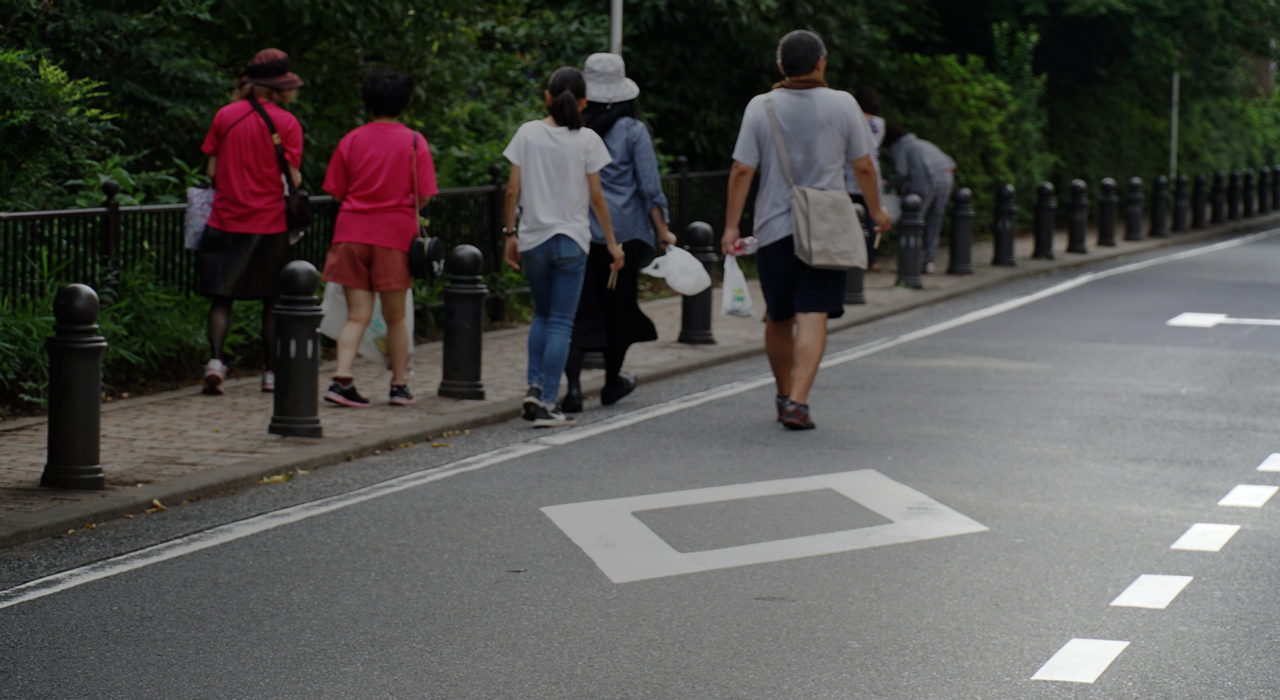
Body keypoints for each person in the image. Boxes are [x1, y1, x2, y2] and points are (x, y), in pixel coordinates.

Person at [721, 30, 891, 430]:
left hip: (774, 228)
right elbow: (863, 166)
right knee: (813, 313)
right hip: (826, 228)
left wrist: (731, 226)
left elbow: (742, 169)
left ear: (781, 66)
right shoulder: (844, 104)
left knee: (778, 316)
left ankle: (783, 394)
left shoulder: (759, 107)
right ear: (821, 62)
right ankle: (798, 401)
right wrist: (877, 210)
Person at [503, 67, 625, 428]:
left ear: (547, 97)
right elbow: (597, 198)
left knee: (541, 315)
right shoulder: (587, 140)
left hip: (533, 239)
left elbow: (512, 190)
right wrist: (614, 244)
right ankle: (546, 403)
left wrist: (510, 233)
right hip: (572, 240)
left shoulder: (527, 133)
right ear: (584, 101)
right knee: (560, 321)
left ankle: (534, 384)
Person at [561, 52, 677, 414]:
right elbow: (649, 186)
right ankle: (612, 381)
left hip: (579, 231)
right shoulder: (633, 130)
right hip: (625, 236)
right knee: (619, 309)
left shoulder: (571, 128)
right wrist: (663, 231)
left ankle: (574, 390)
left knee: (578, 310)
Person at [320, 69, 437, 408]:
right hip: (395, 236)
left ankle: (342, 379)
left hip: (352, 232)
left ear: (368, 106)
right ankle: (399, 385)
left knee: (357, 315)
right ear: (403, 105)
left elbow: (336, 190)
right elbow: (425, 194)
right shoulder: (415, 142)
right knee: (396, 317)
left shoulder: (351, 140)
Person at [198, 48, 304, 396]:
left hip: (225, 218)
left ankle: (215, 362)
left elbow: (211, 169)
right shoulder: (287, 124)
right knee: (272, 299)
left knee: (221, 297)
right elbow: (295, 180)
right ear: (280, 88)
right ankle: (271, 372)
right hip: (269, 223)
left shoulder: (225, 116)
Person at [882, 124, 955, 273]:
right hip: (947, 175)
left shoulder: (899, 147)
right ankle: (929, 261)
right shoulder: (921, 142)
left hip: (928, 180)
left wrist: (891, 184)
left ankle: (909, 260)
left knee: (914, 221)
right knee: (935, 219)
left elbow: (902, 172)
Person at [844, 87, 887, 271]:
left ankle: (851, 257)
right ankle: (871, 260)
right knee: (870, 218)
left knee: (850, 217)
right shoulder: (879, 123)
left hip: (848, 172)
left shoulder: (852, 120)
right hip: (871, 172)